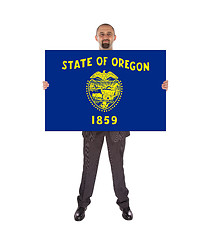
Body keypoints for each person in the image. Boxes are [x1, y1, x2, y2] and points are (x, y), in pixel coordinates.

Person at [43, 23, 168, 221]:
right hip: (92, 124)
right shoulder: (82, 65)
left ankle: (124, 204)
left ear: (115, 37)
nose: (105, 36)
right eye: (102, 34)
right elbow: (71, 88)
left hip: (117, 124)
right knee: (89, 165)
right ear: (96, 38)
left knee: (117, 165)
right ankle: (82, 205)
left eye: (108, 33)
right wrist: (52, 86)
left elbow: (139, 89)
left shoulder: (128, 64)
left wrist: (158, 87)